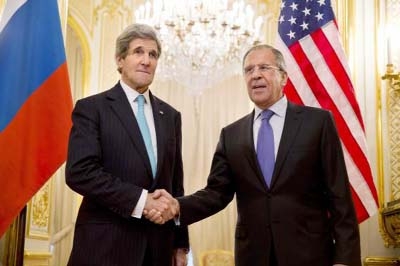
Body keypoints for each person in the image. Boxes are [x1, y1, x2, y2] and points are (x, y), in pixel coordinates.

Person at [146, 44, 361, 266]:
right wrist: (177, 206)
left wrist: (345, 260)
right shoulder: (232, 135)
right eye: (249, 70)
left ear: (284, 77)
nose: (255, 75)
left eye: (264, 68)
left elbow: (340, 197)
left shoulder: (317, 123)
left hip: (310, 255)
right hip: (254, 256)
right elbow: (216, 193)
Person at [65, 23, 189, 266]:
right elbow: (80, 172)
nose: (146, 60)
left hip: (158, 249)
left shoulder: (171, 115)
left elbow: (176, 185)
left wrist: (179, 244)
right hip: (105, 247)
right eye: (138, 52)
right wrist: (142, 201)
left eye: (153, 55)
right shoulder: (92, 109)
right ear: (120, 60)